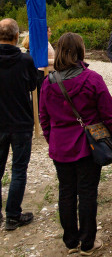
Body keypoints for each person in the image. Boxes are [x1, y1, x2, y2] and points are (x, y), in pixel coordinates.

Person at [39, 32, 112, 255]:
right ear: (80, 51)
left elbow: (44, 117)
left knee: (66, 192)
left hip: (60, 146)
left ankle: (70, 242)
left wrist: (51, 139)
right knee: (87, 193)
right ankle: (87, 243)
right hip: (88, 145)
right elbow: (109, 115)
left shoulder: (48, 82)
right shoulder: (92, 79)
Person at [0, 18, 37, 230]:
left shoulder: (26, 60)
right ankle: (13, 215)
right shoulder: (26, 61)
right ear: (16, 37)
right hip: (21, 122)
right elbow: (33, 85)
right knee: (18, 170)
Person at [36, 26, 55, 103]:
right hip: (43, 72)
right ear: (45, 32)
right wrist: (55, 61)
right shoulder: (41, 43)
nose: (51, 33)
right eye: (49, 31)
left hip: (51, 71)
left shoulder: (47, 42)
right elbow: (40, 59)